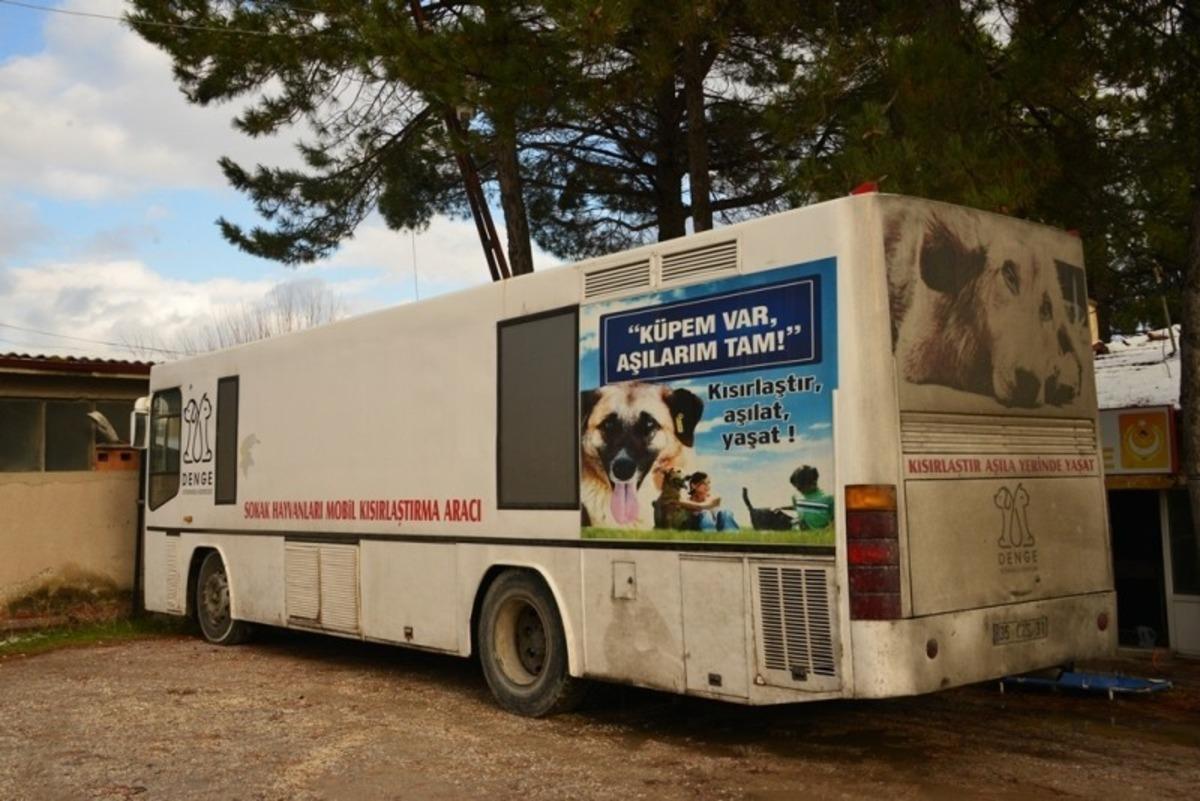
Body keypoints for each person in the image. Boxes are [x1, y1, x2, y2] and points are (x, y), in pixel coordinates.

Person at [676, 472, 740, 532]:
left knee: (725, 512)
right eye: (704, 483)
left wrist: (685, 504)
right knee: (704, 513)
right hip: (695, 526)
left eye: (709, 483)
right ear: (693, 485)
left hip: (715, 526)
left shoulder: (715, 499)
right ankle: (709, 535)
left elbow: (702, 506)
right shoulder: (686, 500)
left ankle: (732, 536)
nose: (708, 486)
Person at [790, 465, 834, 530]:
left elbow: (836, 520)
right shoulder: (795, 497)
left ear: (814, 482)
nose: (798, 489)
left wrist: (827, 530)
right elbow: (799, 507)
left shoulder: (828, 498)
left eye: (800, 487)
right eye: (796, 486)